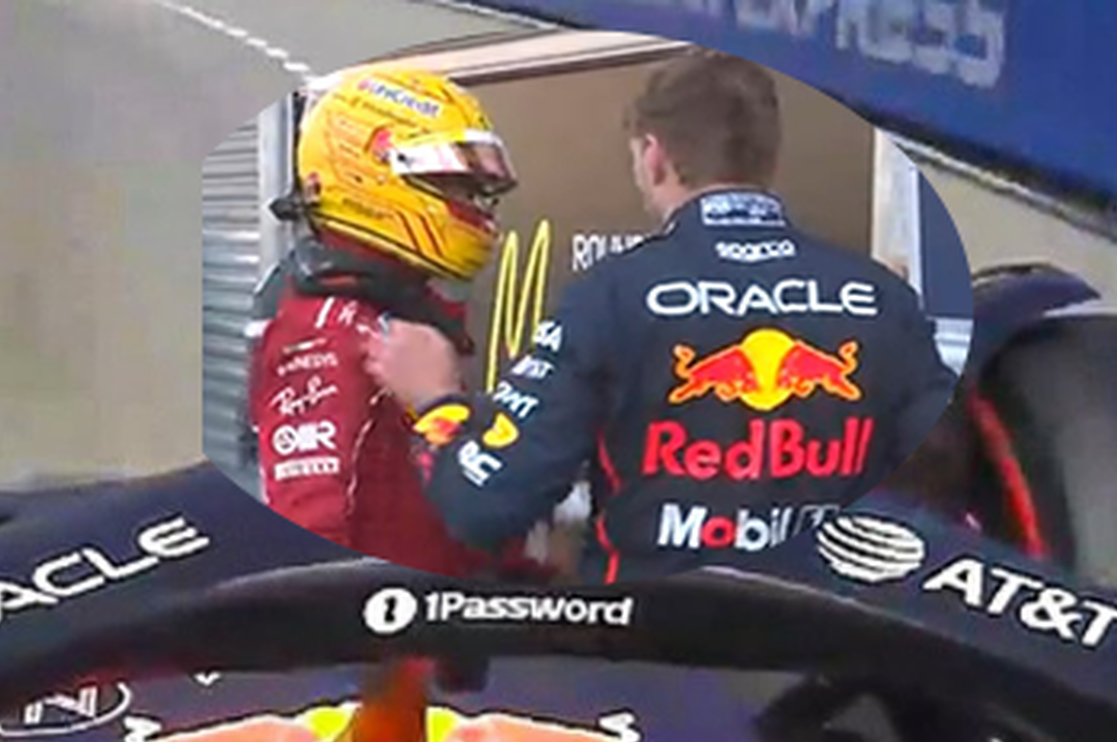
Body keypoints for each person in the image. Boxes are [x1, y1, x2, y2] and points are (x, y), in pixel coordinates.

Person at [369, 50, 958, 581]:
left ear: (653, 157)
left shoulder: (610, 296)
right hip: (837, 633)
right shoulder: (884, 299)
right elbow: (944, 479)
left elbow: (486, 503)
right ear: (766, 157)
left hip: (661, 639)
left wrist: (436, 403)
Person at [248, 66, 533, 579]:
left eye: (476, 188)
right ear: (371, 175)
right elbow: (311, 547)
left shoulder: (401, 303)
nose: (474, 205)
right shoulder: (327, 332)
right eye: (454, 183)